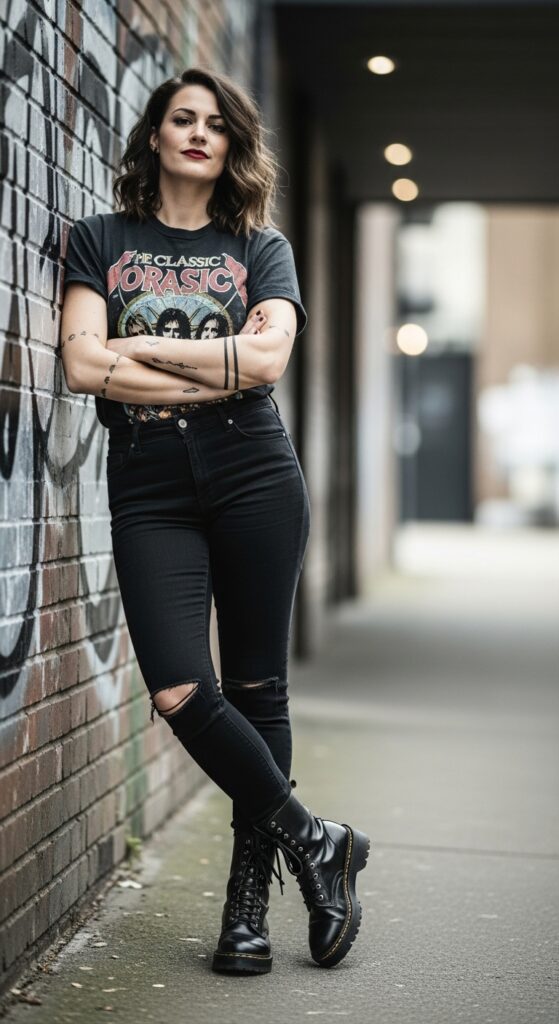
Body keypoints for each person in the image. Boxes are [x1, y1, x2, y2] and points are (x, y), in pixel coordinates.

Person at [60, 66, 370, 974]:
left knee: (260, 691)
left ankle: (246, 913)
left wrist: (144, 344)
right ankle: (317, 841)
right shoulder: (99, 237)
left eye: (215, 123)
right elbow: (80, 366)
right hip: (149, 479)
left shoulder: (258, 247)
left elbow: (268, 361)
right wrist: (213, 361)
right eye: (180, 118)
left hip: (253, 472)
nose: (198, 133)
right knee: (179, 687)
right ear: (154, 135)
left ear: (232, 144)